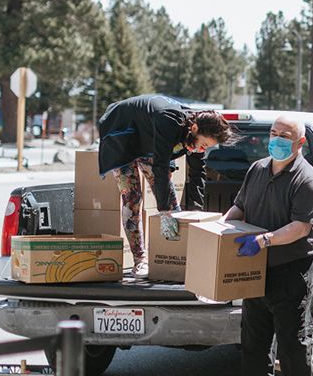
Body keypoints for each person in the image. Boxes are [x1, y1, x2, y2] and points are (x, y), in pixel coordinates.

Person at [217, 114, 313, 376]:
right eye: (274, 133)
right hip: (256, 269)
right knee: (253, 339)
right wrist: (222, 228)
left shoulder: (307, 179)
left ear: (299, 143)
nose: (276, 139)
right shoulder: (258, 169)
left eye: (284, 135)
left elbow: (300, 227)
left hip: (291, 269)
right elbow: (240, 208)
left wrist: (264, 240)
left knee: (292, 343)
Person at [98, 94, 234, 278]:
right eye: (202, 145)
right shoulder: (169, 120)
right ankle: (140, 261)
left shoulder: (197, 131)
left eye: (207, 148)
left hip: (148, 138)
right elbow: (160, 167)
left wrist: (194, 215)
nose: (202, 150)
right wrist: (164, 212)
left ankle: (177, 256)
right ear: (194, 128)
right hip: (122, 133)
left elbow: (197, 173)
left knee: (169, 201)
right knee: (133, 199)